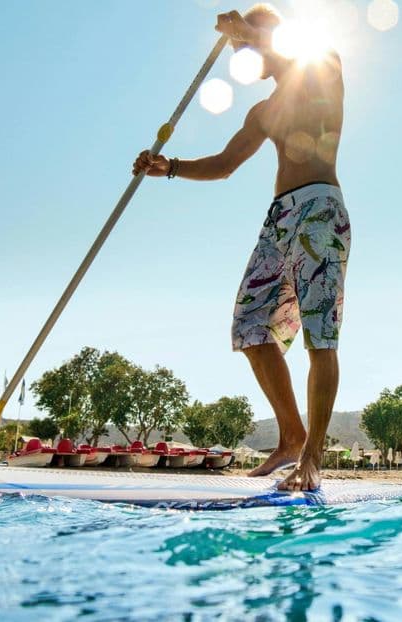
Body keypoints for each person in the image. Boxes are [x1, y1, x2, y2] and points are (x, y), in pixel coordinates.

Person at [132, 4, 350, 491]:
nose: (243, 56)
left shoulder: (323, 68)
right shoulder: (264, 111)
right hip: (279, 219)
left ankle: (312, 457)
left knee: (320, 336)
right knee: (250, 327)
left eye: (245, 47)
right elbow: (225, 163)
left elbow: (297, 50)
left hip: (320, 210)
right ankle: (291, 437)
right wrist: (169, 167)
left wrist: (248, 31)